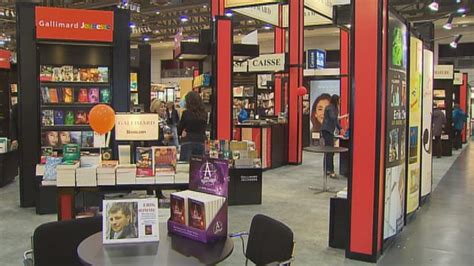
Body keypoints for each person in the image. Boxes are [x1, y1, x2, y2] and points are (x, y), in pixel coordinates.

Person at [321, 95, 348, 178]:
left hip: (329, 130)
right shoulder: (331, 108)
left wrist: (340, 128)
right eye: (339, 100)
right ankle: (330, 170)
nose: (340, 101)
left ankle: (327, 170)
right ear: (336, 100)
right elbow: (333, 118)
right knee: (330, 150)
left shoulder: (333, 108)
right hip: (327, 130)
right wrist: (340, 128)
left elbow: (335, 120)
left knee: (329, 150)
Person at [178, 91, 207, 161]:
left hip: (188, 141)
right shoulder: (204, 114)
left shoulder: (186, 113)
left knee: (186, 165)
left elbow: (179, 130)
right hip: (201, 141)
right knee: (198, 165)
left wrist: (182, 132)